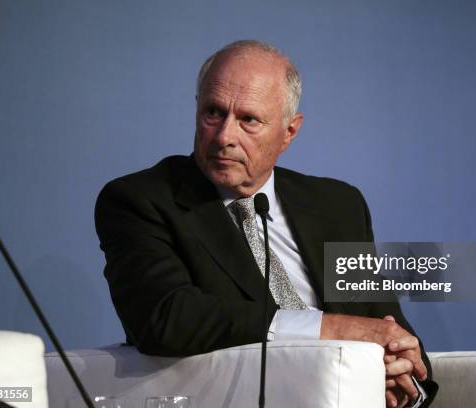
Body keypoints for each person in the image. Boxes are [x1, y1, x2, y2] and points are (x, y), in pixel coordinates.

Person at [95, 40, 438, 408]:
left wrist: (401, 374)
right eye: (213, 112)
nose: (225, 136)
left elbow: (385, 323)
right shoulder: (141, 200)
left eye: (249, 120)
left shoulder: (338, 206)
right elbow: (166, 317)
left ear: (289, 132)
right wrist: (329, 329)